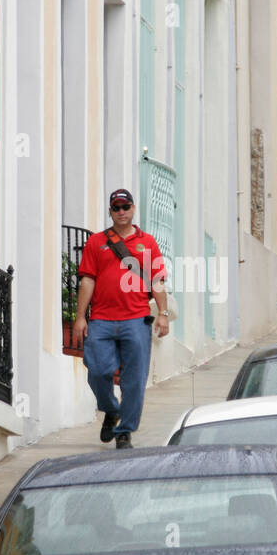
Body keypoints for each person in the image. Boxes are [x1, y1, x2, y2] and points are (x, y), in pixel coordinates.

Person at [72, 188, 169, 449]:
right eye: (116, 207)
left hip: (136, 319)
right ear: (110, 211)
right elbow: (87, 280)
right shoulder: (96, 243)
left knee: (134, 380)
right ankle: (111, 409)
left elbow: (156, 280)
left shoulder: (147, 243)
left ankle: (125, 431)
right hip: (101, 319)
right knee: (98, 370)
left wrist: (163, 314)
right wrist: (81, 317)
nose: (121, 211)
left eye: (125, 207)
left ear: (133, 209)